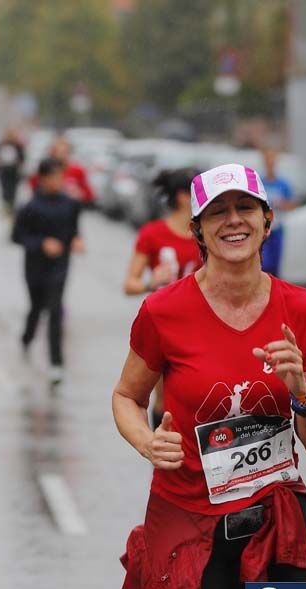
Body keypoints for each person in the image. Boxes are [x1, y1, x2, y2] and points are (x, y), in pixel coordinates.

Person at [113, 163, 306, 589]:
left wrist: (301, 391)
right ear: (198, 230)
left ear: (267, 220)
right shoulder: (163, 311)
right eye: (217, 212)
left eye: (245, 208)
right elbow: (125, 397)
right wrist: (146, 441)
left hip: (272, 526)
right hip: (187, 523)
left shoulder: (301, 309)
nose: (233, 221)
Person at [122, 168, 203, 427]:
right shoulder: (153, 233)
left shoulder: (208, 233)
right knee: (165, 399)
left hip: (203, 323)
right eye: (198, 193)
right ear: (182, 197)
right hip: (166, 326)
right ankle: (162, 456)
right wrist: (151, 281)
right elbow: (129, 284)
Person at [12, 157, 85, 386]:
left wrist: (76, 241)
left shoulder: (70, 205)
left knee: (55, 311)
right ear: (42, 179)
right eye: (53, 177)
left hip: (59, 268)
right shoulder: (30, 207)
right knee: (36, 308)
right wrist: (42, 243)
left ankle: (56, 363)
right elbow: (16, 236)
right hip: (35, 267)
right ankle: (27, 337)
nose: (58, 181)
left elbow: (74, 230)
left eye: (61, 177)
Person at [259, 149, 295, 276]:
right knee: (264, 261)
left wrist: (281, 203)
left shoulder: (283, 184)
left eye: (272, 160)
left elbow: (292, 205)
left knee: (276, 263)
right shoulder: (260, 183)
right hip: (263, 228)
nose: (270, 163)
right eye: (267, 160)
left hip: (278, 229)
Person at [28, 137, 95, 205]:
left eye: (64, 152)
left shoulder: (77, 170)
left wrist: (79, 194)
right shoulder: (45, 169)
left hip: (69, 210)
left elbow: (89, 195)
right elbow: (34, 187)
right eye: (57, 152)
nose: (60, 155)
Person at [0, 129, 25, 212]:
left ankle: (11, 205)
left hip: (14, 171)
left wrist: (19, 165)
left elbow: (22, 158)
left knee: (13, 189)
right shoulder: (1, 145)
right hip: (3, 171)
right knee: (5, 189)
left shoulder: (18, 145)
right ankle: (6, 206)